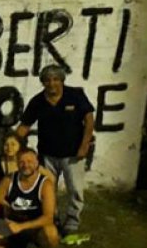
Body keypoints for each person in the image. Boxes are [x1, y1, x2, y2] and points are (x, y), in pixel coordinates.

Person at [17, 64, 95, 235]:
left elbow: (89, 120)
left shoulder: (75, 95)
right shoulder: (38, 101)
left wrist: (84, 145)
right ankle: (52, 217)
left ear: (62, 80)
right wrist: (15, 145)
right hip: (47, 154)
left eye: (55, 79)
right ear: (43, 82)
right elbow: (24, 126)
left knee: (74, 189)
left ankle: (72, 221)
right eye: (47, 80)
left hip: (73, 154)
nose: (52, 83)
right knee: (47, 189)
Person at [0, 131, 54, 199]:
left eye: (13, 144)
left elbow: (51, 178)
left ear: (20, 145)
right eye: (6, 145)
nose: (9, 148)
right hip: (5, 199)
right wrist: (4, 203)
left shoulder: (27, 160)